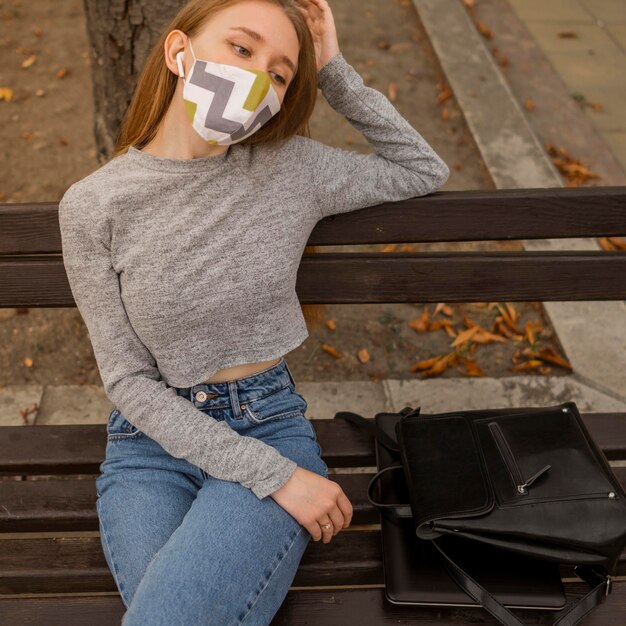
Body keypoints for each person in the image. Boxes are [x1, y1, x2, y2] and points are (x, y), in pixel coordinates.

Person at [57, 0, 450, 623]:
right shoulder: (94, 205)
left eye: (280, 73)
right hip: (153, 443)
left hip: (266, 420)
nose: (258, 79)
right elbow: (128, 380)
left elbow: (421, 168)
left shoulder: (292, 167)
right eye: (242, 50)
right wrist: (277, 479)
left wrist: (334, 69)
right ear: (179, 53)